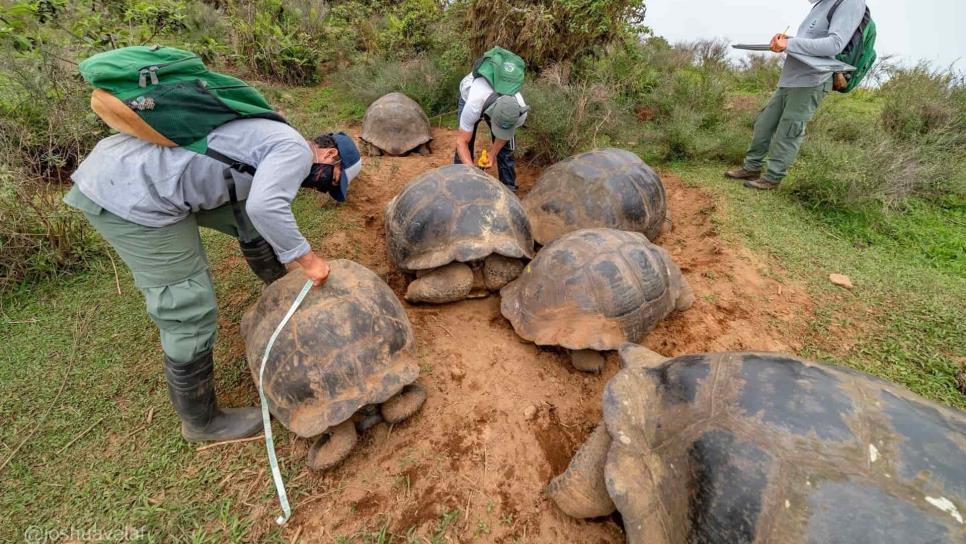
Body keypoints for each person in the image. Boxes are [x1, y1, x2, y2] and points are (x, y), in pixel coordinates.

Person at [64, 119, 361, 442]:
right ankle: (202, 422)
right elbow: (268, 207)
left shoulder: (274, 134)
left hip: (133, 165)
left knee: (245, 213)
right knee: (187, 306)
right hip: (130, 192)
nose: (320, 188)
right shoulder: (296, 151)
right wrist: (309, 261)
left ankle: (283, 292)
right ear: (330, 154)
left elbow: (253, 207)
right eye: (331, 181)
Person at [726, 0, 867, 190]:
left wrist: (790, 43)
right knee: (764, 123)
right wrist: (786, 41)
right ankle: (752, 167)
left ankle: (772, 178)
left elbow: (834, 45)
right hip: (791, 77)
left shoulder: (850, 3)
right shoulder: (821, 4)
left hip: (813, 79)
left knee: (789, 130)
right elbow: (811, 40)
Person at [453, 66, 529, 191]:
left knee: (505, 148)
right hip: (469, 93)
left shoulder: (519, 111)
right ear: (490, 116)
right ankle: (461, 182)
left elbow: (504, 136)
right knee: (467, 142)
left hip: (495, 103)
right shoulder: (473, 105)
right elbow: (462, 142)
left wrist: (492, 154)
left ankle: (508, 187)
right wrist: (473, 171)